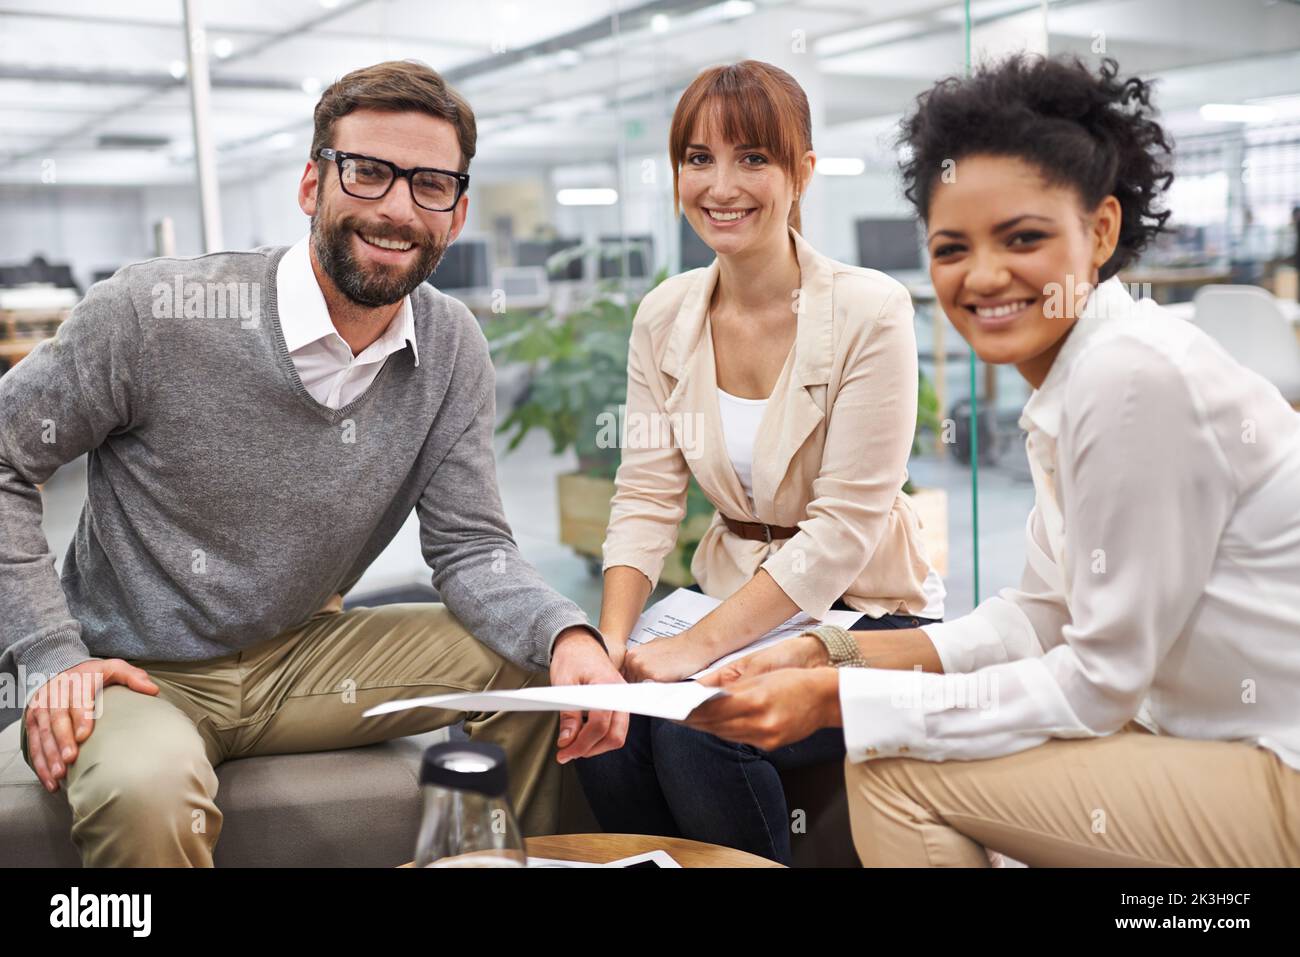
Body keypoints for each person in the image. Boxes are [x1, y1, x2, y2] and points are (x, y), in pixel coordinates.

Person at [0, 59, 625, 867]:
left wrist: (567, 631)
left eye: (430, 184)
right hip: (139, 672)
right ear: (311, 185)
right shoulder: (153, 315)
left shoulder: (450, 345)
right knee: (147, 788)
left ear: (457, 212)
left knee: (539, 662)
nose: (398, 208)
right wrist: (51, 654)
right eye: (368, 172)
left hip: (304, 655)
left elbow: (472, 548)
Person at [685, 54, 1300, 867]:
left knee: (895, 771)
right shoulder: (1087, 373)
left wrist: (840, 699)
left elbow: (1097, 681)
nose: (983, 275)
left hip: (1274, 760)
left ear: (1103, 230)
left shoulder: (1132, 378)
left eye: (1024, 238)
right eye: (951, 247)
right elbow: (1037, 616)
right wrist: (828, 651)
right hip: (1212, 735)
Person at [577, 60, 945, 865]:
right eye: (698, 158)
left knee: (702, 729)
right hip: (732, 592)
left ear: (801, 172)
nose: (721, 184)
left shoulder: (868, 309)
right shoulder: (664, 313)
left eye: (753, 158)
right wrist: (608, 649)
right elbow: (644, 493)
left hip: (869, 609)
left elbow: (842, 530)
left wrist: (694, 647)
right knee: (608, 724)